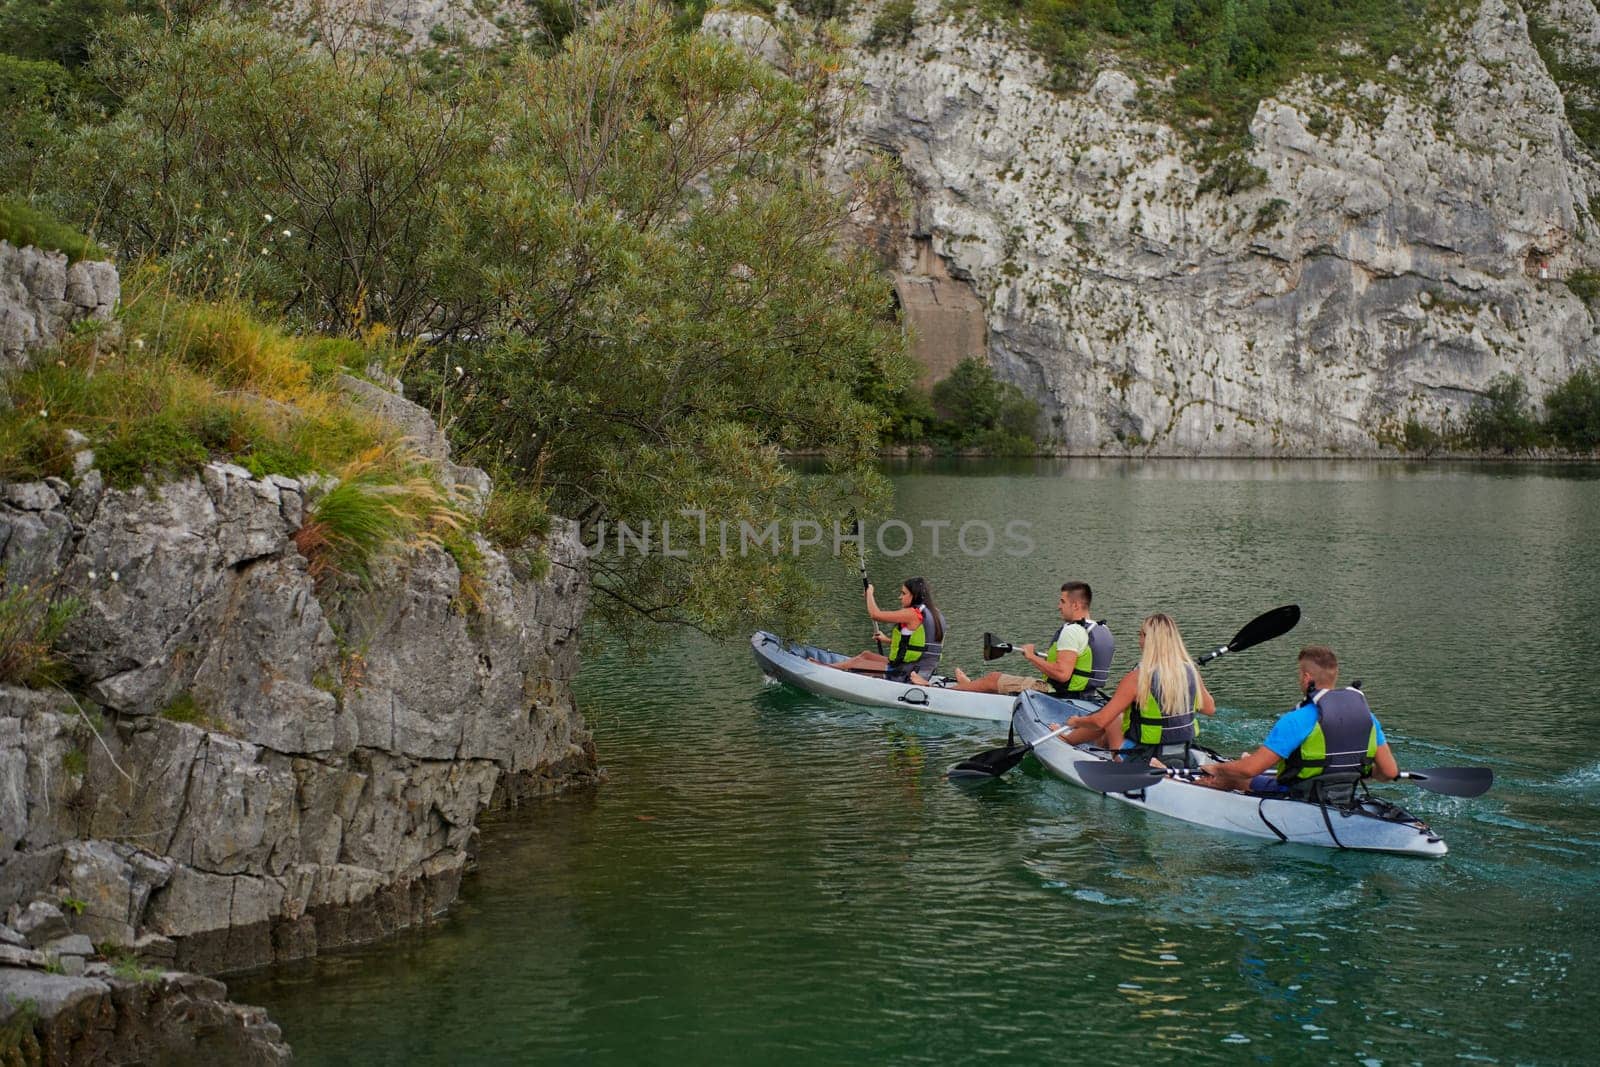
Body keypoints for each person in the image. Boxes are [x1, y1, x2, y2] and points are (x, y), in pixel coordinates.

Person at [1197, 645, 1399, 801]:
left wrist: (1217, 769)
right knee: (1246, 764)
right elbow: (1389, 772)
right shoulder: (1368, 718)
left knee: (1233, 777)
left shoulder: (1297, 719)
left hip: (1296, 796)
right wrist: (1350, 771)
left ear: (1306, 677)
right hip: (1343, 795)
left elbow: (1249, 770)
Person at [1056, 613, 1215, 764]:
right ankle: (1098, 741)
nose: (1139, 640)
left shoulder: (1137, 678)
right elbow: (1209, 709)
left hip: (1143, 758)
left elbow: (1100, 722)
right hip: (1183, 756)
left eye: (1141, 634)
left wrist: (1076, 720)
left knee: (1113, 717)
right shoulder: (1191, 672)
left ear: (1148, 639)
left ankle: (1067, 739)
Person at [950, 581, 1113, 697]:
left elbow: (1062, 674)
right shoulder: (1102, 630)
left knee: (993, 678)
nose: (1059, 606)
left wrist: (1031, 657)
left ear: (1076, 605)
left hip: (1057, 693)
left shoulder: (1072, 631)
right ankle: (968, 685)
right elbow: (1080, 662)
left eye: (1062, 601)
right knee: (997, 682)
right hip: (1087, 694)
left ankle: (952, 691)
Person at [821, 577, 945, 684]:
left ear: (914, 595)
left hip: (906, 672)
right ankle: (832, 667)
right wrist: (886, 640)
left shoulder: (913, 613)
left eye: (903, 593)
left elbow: (875, 615)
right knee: (866, 655)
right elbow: (919, 646)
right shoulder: (935, 613)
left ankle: (823, 668)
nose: (900, 597)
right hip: (918, 668)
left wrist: (869, 594)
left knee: (857, 662)